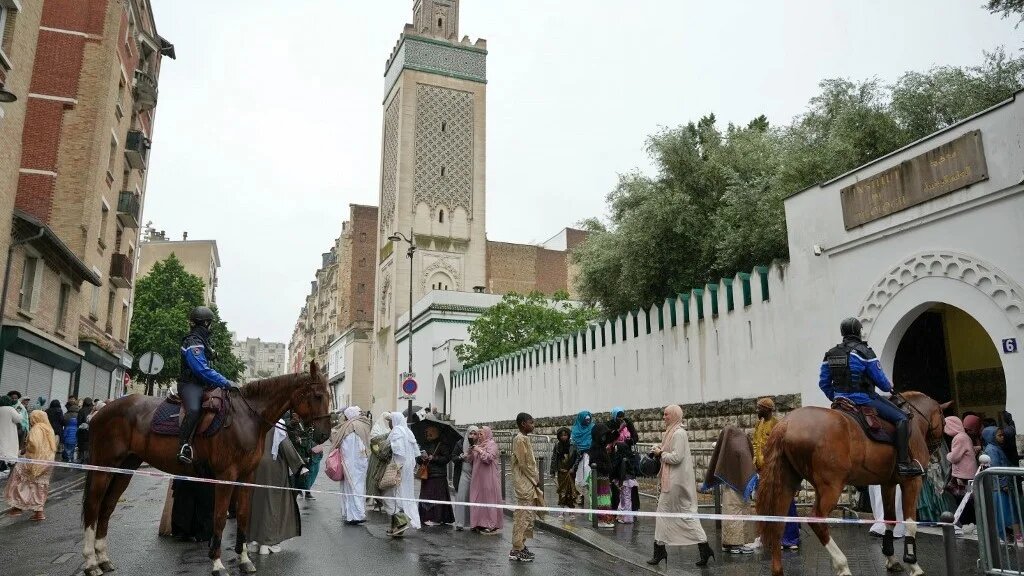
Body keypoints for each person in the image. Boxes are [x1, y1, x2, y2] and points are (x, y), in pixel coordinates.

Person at [819, 317, 923, 477]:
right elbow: (881, 382)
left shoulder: (831, 354)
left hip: (840, 400)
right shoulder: (864, 352)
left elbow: (824, 383)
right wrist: (890, 388)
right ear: (857, 332)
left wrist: (837, 397)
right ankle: (903, 464)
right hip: (864, 398)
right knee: (902, 418)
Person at [648, 404, 713, 567]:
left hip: (675, 482)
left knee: (667, 513)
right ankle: (704, 548)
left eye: (667, 414)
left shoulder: (678, 433)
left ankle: (660, 551)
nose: (664, 417)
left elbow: (676, 458)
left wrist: (660, 453)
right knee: (680, 514)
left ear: (675, 415)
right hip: (673, 480)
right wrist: (660, 450)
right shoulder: (672, 432)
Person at [177, 306, 236, 465]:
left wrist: (213, 353)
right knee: (195, 410)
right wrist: (225, 382)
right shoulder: (192, 341)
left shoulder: (201, 341)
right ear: (205, 324)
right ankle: (184, 446)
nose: (211, 328)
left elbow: (207, 352)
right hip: (189, 385)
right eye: (210, 324)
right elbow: (200, 369)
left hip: (202, 385)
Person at [249, 419, 307, 554]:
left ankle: (256, 540)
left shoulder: (257, 420)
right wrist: (299, 467)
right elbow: (285, 445)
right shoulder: (278, 423)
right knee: (272, 504)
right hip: (274, 467)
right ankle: (268, 542)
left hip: (256, 465)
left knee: (257, 503)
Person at [750, 396, 800, 550]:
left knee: (786, 503)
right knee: (766, 504)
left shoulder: (778, 425)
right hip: (761, 471)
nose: (757, 410)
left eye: (760, 408)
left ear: (767, 409)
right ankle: (769, 537)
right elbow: (756, 444)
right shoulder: (759, 424)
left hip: (776, 471)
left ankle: (791, 538)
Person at [700, 425, 756, 554]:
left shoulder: (726, 446)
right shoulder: (741, 443)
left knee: (731, 512)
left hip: (729, 487)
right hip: (740, 487)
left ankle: (729, 543)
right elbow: (748, 459)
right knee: (739, 512)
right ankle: (737, 544)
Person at [317, 406, 371, 524]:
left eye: (345, 416)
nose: (345, 418)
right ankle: (356, 513)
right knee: (359, 487)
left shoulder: (351, 427)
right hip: (362, 462)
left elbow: (348, 447)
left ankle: (354, 515)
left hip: (351, 462)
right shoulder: (363, 424)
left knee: (351, 487)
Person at [4, 410, 57, 520]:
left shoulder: (37, 428)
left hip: (33, 461)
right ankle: (39, 512)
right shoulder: (49, 428)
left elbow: (33, 444)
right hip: (47, 462)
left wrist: (25, 449)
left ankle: (18, 507)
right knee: (40, 486)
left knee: (18, 480)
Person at [982, 426, 1022, 544]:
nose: (1002, 438)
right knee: (1008, 512)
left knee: (1009, 511)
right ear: (991, 437)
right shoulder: (991, 450)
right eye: (999, 436)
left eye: (1002, 435)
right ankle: (1016, 536)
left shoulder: (996, 448)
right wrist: (1004, 484)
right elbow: (996, 468)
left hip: (1002, 487)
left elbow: (1006, 464)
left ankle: (1013, 535)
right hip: (999, 488)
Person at [510, 412, 540, 562]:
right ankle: (517, 548)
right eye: (531, 422)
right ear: (523, 424)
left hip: (527, 482)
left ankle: (521, 544)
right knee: (522, 515)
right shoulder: (520, 439)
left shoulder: (524, 438)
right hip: (524, 482)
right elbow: (523, 463)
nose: (533, 425)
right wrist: (535, 479)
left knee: (527, 515)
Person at [387, 411, 421, 536]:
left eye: (390, 420)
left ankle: (400, 524)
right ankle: (396, 525)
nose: (390, 423)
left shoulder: (397, 431)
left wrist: (389, 446)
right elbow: (416, 451)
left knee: (395, 494)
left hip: (398, 467)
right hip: (408, 467)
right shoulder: (408, 431)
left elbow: (397, 450)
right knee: (407, 493)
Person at [416, 421, 455, 526]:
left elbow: (446, 458)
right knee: (426, 496)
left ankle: (438, 518)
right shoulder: (424, 444)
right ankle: (426, 517)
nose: (428, 434)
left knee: (438, 498)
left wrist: (434, 458)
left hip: (438, 475)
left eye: (430, 433)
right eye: (427, 433)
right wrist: (421, 458)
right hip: (427, 474)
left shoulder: (442, 444)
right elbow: (418, 459)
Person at [944, 415, 979, 533]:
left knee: (963, 500)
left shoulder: (959, 438)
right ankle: (971, 523)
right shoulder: (964, 436)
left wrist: (947, 455)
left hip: (962, 475)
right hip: (968, 474)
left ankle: (968, 523)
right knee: (967, 499)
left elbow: (954, 457)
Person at [467, 426, 503, 534]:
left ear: (487, 434)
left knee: (489, 499)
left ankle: (492, 524)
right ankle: (478, 522)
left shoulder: (492, 445)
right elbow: (470, 460)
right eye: (479, 434)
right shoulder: (478, 445)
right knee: (477, 498)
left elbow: (488, 459)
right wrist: (470, 452)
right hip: (478, 478)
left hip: (489, 477)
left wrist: (479, 450)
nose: (479, 436)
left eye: (481, 434)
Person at [589, 422, 616, 528]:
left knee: (605, 498)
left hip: (603, 477)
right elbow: (592, 462)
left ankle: (604, 519)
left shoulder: (601, 446)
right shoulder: (595, 447)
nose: (604, 438)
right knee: (601, 499)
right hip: (599, 477)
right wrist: (605, 467)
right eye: (603, 435)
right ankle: (601, 519)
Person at [453, 425, 479, 531]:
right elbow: (453, 457)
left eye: (474, 433)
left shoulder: (480, 444)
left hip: (476, 475)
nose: (472, 436)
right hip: (463, 473)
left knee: (474, 499)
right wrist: (461, 457)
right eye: (470, 433)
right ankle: (460, 522)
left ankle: (474, 523)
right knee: (462, 497)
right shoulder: (460, 443)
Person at [550, 427, 580, 519]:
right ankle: (561, 511)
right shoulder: (557, 446)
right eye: (562, 435)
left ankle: (571, 511)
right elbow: (554, 458)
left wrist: (573, 468)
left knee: (571, 491)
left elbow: (578, 457)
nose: (564, 437)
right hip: (561, 472)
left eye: (565, 435)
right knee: (562, 492)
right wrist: (552, 471)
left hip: (570, 473)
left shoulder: (573, 445)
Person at [367, 412, 393, 510]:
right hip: (377, 459)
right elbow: (373, 443)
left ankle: (385, 502)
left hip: (387, 459)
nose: (388, 422)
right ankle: (377, 502)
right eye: (386, 419)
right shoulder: (376, 428)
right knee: (375, 480)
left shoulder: (391, 429)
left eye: (389, 420)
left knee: (385, 481)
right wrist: (381, 454)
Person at [0, 396, 21, 480]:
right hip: (9, 433)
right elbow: (18, 419)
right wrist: (19, 413)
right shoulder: (10, 409)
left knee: (1, 448)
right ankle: (8, 469)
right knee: (9, 451)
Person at [76, 398, 94, 464]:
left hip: (82, 431)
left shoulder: (81, 410)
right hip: (91, 431)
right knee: (89, 445)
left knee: (81, 445)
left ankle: (81, 458)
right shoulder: (93, 410)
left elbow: (78, 421)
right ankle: (88, 458)